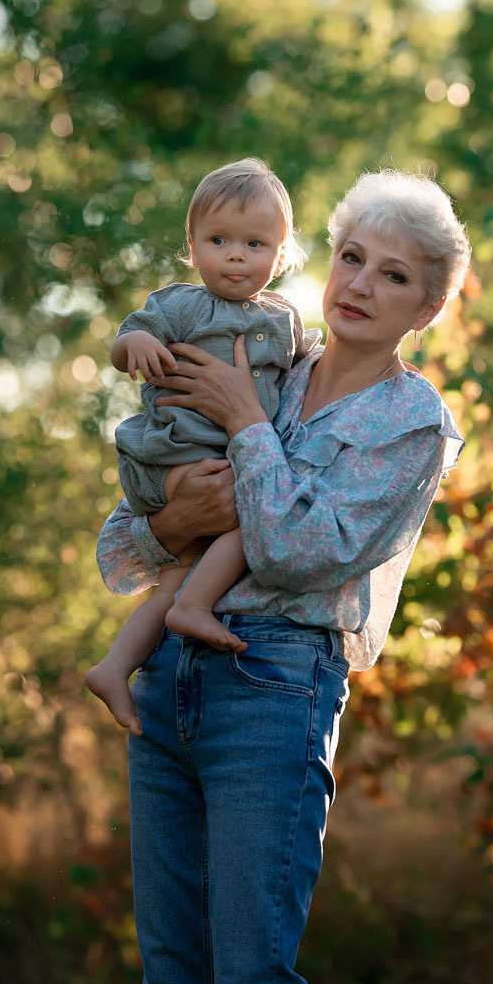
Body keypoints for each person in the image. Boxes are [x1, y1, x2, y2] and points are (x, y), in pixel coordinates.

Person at [95, 168, 471, 984]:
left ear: (427, 307)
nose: (361, 285)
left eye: (394, 275)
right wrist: (172, 520)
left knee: (250, 973)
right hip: (165, 676)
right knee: (171, 972)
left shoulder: (411, 423)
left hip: (272, 686)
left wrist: (245, 426)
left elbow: (302, 552)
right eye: (351, 257)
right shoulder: (265, 358)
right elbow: (124, 549)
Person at [86, 158, 318, 736]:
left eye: (255, 243)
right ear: (192, 247)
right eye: (219, 240)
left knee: (177, 575)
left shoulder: (283, 318)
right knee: (254, 511)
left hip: (225, 461)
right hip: (168, 457)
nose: (236, 255)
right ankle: (193, 609)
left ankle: (116, 665)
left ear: (282, 255)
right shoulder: (181, 306)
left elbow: (302, 368)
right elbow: (126, 339)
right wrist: (136, 342)